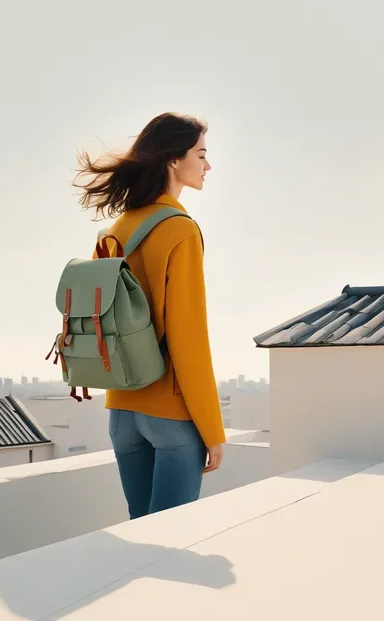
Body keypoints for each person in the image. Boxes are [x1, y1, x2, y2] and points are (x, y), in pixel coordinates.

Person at [74, 112, 226, 519]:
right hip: (170, 415)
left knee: (140, 536)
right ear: (174, 160)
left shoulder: (115, 230)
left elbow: (102, 324)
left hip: (121, 409)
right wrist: (212, 431)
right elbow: (188, 338)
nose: (208, 165)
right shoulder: (181, 230)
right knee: (169, 540)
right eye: (202, 154)